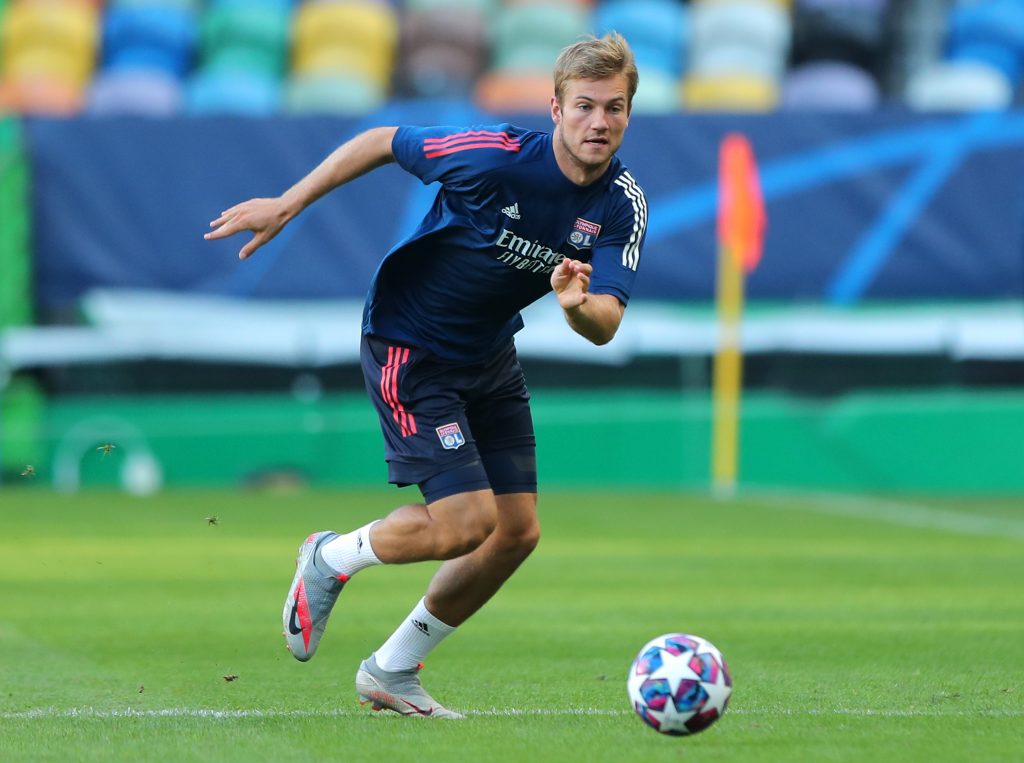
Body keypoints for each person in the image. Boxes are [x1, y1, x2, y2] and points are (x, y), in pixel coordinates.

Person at [205, 32, 647, 719]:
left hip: (489, 353)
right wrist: (287, 205)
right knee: (466, 521)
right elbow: (384, 138)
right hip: (409, 346)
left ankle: (393, 668)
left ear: (628, 112)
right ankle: (329, 555)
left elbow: (606, 323)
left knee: (518, 531)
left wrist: (574, 306)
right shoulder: (495, 158)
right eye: (585, 106)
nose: (600, 122)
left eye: (614, 108)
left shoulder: (621, 204)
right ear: (554, 108)